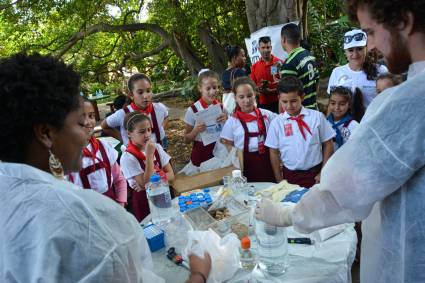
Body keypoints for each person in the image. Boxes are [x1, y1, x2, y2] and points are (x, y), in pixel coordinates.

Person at [0, 53, 211, 282]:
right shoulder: (89, 219)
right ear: (46, 133)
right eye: (80, 123)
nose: (86, 132)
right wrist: (198, 274)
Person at [256, 0, 425, 282]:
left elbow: (346, 187)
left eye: (370, 32)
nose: (369, 46)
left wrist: (289, 216)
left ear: (403, 22)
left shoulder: (410, 101)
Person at [265, 76, 335, 188]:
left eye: (293, 101)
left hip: (315, 175)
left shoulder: (317, 117)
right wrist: (279, 180)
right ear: (279, 98)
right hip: (289, 177)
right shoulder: (276, 123)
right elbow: (273, 151)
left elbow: (328, 144)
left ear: (302, 97)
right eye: (284, 101)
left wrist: (323, 171)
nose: (289, 106)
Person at [68, 98, 127, 206]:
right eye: (81, 117)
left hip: (112, 209)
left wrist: (120, 204)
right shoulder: (65, 158)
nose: (87, 122)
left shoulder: (104, 147)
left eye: (91, 116)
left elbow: (119, 180)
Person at [120, 112, 175, 222]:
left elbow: (172, 175)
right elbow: (146, 183)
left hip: (165, 196)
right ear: (129, 133)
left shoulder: (157, 148)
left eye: (149, 130)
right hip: (145, 204)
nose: (147, 135)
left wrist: (152, 180)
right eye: (141, 132)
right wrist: (149, 156)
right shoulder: (127, 157)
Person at [220, 77, 277, 182]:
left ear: (255, 94)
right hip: (245, 167)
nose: (246, 100)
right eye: (241, 97)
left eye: (250, 96)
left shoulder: (266, 115)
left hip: (267, 163)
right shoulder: (232, 122)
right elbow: (227, 144)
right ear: (235, 98)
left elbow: (282, 124)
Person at [101, 73, 169, 147]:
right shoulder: (122, 114)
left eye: (148, 91)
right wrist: (121, 138)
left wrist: (160, 129)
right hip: (134, 156)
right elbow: (104, 126)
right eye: (140, 92)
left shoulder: (160, 108)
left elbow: (166, 116)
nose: (145, 96)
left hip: (158, 148)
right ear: (131, 95)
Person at [327, 29, 388, 108]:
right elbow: (331, 103)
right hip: (346, 120)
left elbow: (389, 100)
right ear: (345, 52)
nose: (355, 54)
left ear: (366, 49)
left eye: (359, 49)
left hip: (374, 119)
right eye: (350, 50)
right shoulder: (337, 72)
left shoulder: (381, 70)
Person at [184, 70, 227, 167]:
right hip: (202, 155)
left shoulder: (221, 107)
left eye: (215, 87)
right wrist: (195, 131)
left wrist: (227, 120)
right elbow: (186, 139)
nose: (212, 91)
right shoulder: (192, 110)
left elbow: (229, 132)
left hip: (220, 152)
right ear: (200, 88)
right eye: (208, 88)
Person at [280, 23, 319, 110]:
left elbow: (286, 95)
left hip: (300, 114)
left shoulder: (289, 64)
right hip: (313, 109)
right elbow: (317, 84)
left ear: (283, 39)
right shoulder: (309, 55)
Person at [250, 36, 283, 113]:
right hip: (262, 105)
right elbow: (252, 86)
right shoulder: (254, 67)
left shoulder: (279, 63)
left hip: (279, 103)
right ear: (259, 49)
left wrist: (271, 91)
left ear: (271, 48)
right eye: (263, 47)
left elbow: (286, 85)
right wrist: (259, 89)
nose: (266, 50)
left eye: (268, 47)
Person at [327, 86, 362, 152]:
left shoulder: (354, 126)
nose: (337, 107)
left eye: (342, 104)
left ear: (349, 105)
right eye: (333, 103)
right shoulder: (324, 123)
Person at [221, 45, 247, 113]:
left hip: (228, 111)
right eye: (243, 56)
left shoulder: (224, 73)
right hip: (241, 110)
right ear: (235, 58)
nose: (245, 58)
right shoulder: (239, 72)